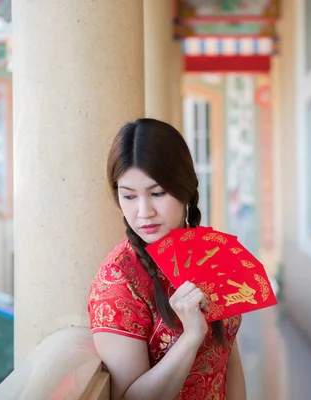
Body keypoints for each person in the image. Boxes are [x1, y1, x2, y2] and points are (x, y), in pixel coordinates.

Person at [87, 118, 246, 400]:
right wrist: (191, 337)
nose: (143, 211)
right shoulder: (118, 283)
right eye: (129, 196)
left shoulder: (212, 253)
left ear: (184, 187)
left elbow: (229, 358)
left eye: (157, 193)